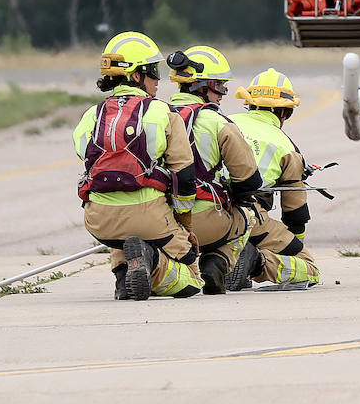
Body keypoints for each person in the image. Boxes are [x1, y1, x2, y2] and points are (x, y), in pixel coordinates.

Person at [73, 31, 202, 301]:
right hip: (150, 217)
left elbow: (85, 157)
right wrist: (183, 222)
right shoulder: (163, 112)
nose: (158, 78)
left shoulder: (90, 115)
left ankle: (123, 278)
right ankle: (151, 260)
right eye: (153, 71)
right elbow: (185, 175)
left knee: (126, 238)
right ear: (135, 76)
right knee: (191, 277)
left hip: (99, 221)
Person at [165, 45, 264, 294]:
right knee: (247, 217)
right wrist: (238, 195)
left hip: (162, 220)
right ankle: (216, 263)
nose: (223, 93)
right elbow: (249, 179)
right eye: (219, 85)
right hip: (203, 219)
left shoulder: (156, 115)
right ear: (202, 85)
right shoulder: (217, 122)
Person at [229, 68, 321, 290]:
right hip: (249, 216)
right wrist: (295, 244)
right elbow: (295, 212)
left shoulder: (225, 122)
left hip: (201, 211)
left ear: (249, 104)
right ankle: (255, 262)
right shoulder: (286, 146)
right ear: (285, 113)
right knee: (309, 269)